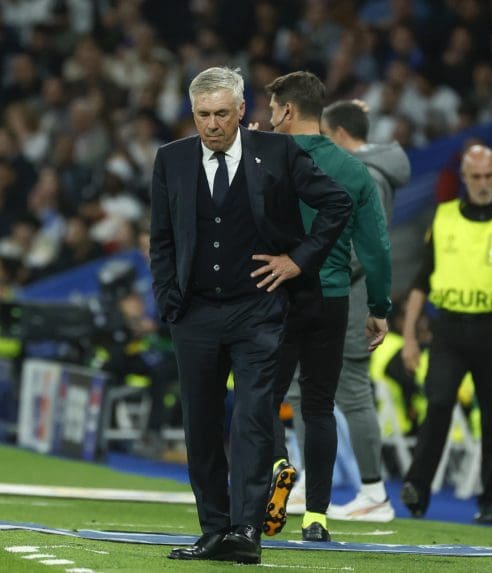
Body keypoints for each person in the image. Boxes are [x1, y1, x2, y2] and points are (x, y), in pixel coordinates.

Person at [149, 67, 351, 565]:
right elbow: (161, 239)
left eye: (221, 113)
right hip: (193, 314)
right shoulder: (171, 159)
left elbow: (336, 203)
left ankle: (246, 530)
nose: (212, 125)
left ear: (242, 111)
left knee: (254, 418)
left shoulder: (279, 153)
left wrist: (297, 260)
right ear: (192, 113)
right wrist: (168, 299)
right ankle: (214, 530)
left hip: (258, 312)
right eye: (202, 115)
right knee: (200, 425)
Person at [263, 72, 393, 541]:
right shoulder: (355, 170)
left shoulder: (264, 158)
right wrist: (378, 307)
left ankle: (277, 466)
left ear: (288, 111)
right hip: (333, 298)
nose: (270, 116)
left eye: (274, 108)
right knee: (318, 407)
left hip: (272, 293)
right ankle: (316, 517)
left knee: (262, 399)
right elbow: (376, 246)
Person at [399, 144, 492, 520]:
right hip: (448, 327)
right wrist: (410, 336)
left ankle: (490, 500)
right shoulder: (443, 217)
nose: (483, 183)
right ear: (463, 178)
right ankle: (417, 488)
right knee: (439, 403)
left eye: (489, 176)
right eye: (475, 177)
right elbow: (421, 280)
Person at [315, 99, 411, 522]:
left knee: (352, 390)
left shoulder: (367, 174)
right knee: (310, 385)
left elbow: (363, 245)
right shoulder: (374, 170)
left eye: (323, 134)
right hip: (346, 290)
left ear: (337, 134)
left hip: (349, 294)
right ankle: (306, 484)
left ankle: (374, 492)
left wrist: (316, 269)